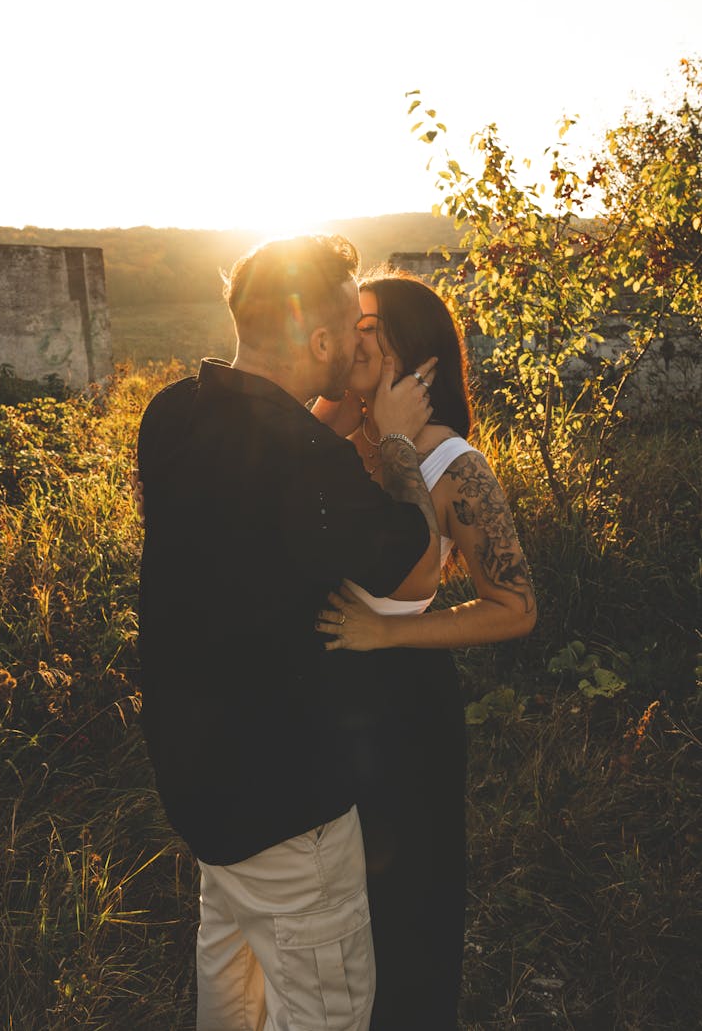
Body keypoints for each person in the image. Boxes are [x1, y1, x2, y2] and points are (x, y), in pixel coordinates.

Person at [135, 234, 445, 1031]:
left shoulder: (168, 415)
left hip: (203, 798)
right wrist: (401, 439)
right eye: (351, 330)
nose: (357, 344)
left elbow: (262, 497)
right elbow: (410, 559)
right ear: (320, 342)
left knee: (232, 1002)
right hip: (289, 811)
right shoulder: (308, 461)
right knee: (326, 1013)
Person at [314, 270, 537, 1030]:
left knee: (406, 907)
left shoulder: (451, 464)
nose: (355, 333)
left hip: (402, 709)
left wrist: (391, 631)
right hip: (320, 700)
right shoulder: (340, 438)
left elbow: (516, 606)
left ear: (417, 351)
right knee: (331, 910)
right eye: (352, 320)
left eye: (370, 322)